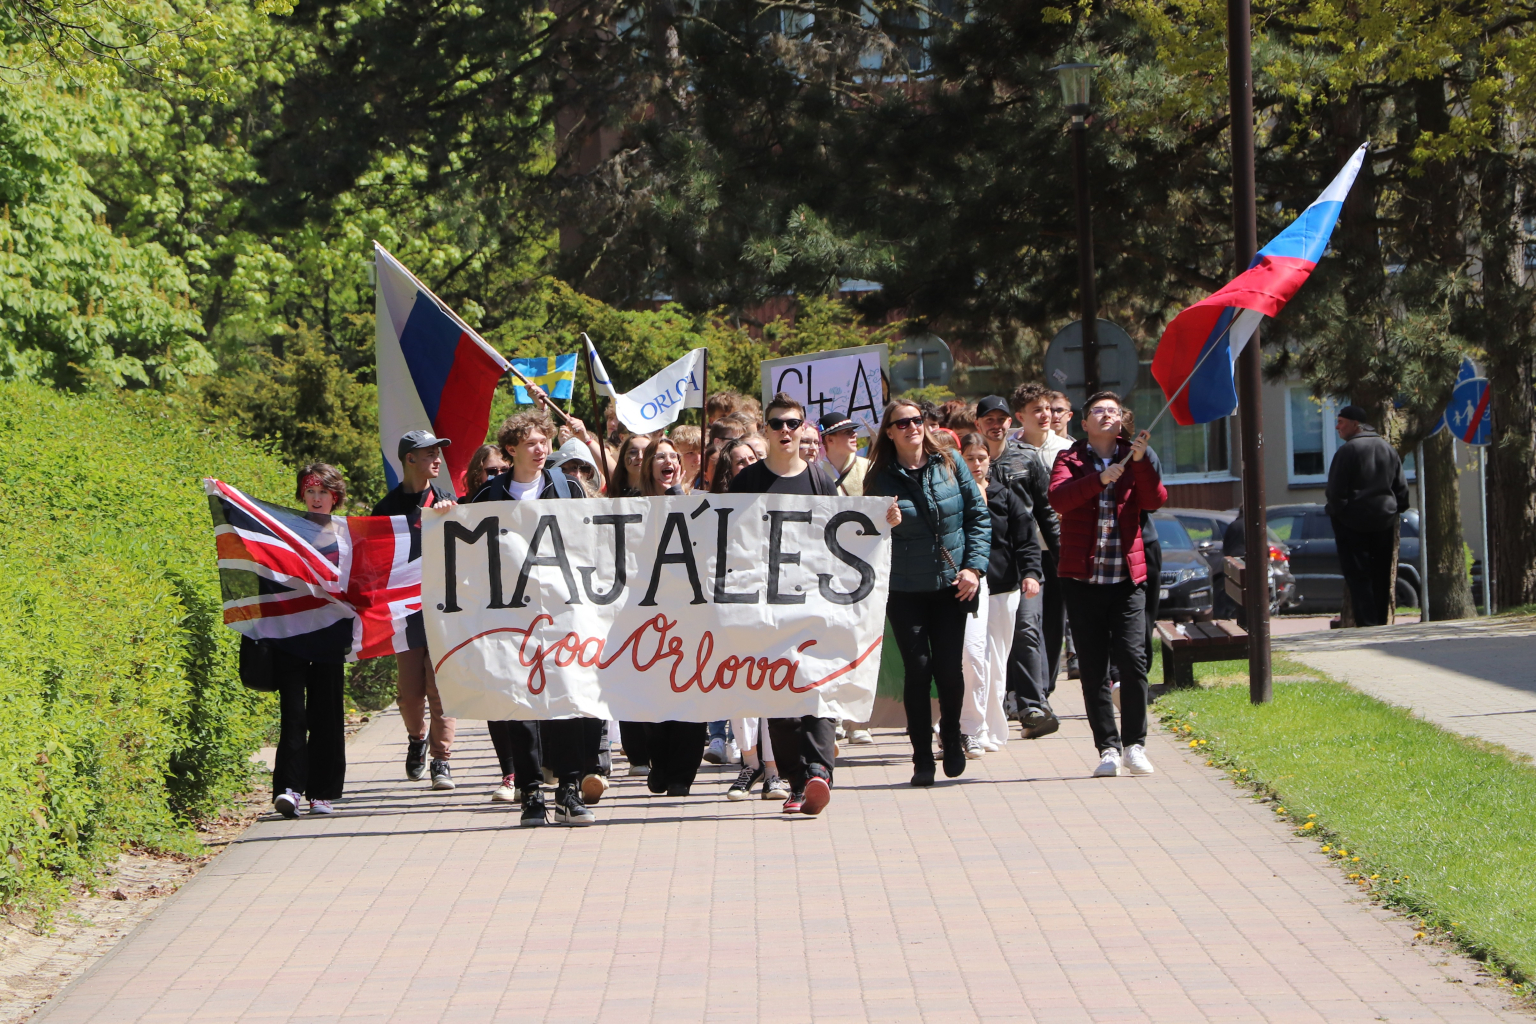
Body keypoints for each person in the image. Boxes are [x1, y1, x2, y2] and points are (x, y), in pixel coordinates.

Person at [473, 412, 601, 826]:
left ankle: (568, 787)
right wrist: (442, 513)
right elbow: (463, 541)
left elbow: (594, 541)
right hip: (510, 619)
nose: (541, 449)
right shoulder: (489, 495)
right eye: (531, 443)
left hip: (563, 614)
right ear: (511, 449)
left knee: (564, 700)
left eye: (544, 441)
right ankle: (531, 793)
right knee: (519, 704)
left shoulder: (567, 489)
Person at [728, 392, 851, 815]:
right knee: (778, 697)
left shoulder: (819, 479)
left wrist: (882, 524)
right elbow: (726, 541)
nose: (785, 431)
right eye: (777, 423)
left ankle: (820, 772)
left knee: (817, 687)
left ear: (803, 429)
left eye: (793, 423)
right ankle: (797, 784)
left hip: (815, 602)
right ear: (765, 429)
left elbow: (844, 534)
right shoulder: (746, 483)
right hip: (765, 607)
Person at [865, 400, 989, 787]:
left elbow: (977, 518)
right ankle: (921, 756)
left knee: (950, 671)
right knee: (917, 671)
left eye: (917, 421)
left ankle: (951, 737)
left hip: (953, 586)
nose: (911, 427)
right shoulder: (881, 476)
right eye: (901, 423)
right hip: (905, 589)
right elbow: (864, 535)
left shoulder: (951, 463)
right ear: (889, 431)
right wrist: (882, 523)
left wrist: (974, 568)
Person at [1048, 391, 1165, 779]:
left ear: (1122, 420)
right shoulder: (1070, 458)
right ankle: (1108, 748)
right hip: (1081, 580)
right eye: (1097, 411)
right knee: (1093, 668)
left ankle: (1135, 745)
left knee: (1133, 662)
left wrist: (1141, 461)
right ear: (1084, 423)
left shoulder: (1135, 456)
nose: (1105, 416)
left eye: (1112, 411)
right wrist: (1099, 479)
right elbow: (1060, 500)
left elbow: (1154, 500)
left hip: (1127, 580)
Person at [372, 430, 458, 790]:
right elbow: (374, 561)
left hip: (442, 610)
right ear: (410, 459)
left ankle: (441, 760)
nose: (438, 459)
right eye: (429, 454)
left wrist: (450, 516)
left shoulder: (448, 500)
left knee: (441, 688)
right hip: (403, 613)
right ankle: (416, 739)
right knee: (410, 692)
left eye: (439, 452)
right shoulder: (386, 508)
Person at [980, 389, 1064, 739]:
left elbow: (1044, 511)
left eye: (1001, 420)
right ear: (978, 424)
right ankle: (992, 704)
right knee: (986, 640)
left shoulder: (1027, 459)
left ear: (1009, 422)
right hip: (984, 564)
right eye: (989, 420)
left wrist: (1060, 556)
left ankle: (1034, 704)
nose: (996, 425)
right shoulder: (967, 460)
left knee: (1028, 628)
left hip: (1026, 559)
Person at [271, 463, 350, 818]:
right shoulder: (285, 531)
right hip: (292, 633)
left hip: (332, 634)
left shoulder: (349, 535)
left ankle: (322, 792)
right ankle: (288, 789)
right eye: (311, 491)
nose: (317, 499)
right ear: (302, 494)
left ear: (336, 496)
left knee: (327, 714)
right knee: (293, 713)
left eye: (324, 492)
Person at [957, 434, 1042, 755]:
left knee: (996, 661)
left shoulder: (1005, 496)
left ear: (989, 460)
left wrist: (1031, 574)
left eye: (981, 457)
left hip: (1004, 589)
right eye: (969, 458)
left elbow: (1026, 539)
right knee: (974, 659)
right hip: (970, 590)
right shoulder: (957, 497)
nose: (976, 464)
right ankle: (973, 726)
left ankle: (994, 729)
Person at [817, 410, 874, 745]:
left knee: (861, 644)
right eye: (844, 431)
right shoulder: (815, 474)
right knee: (830, 645)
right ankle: (833, 718)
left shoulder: (868, 469)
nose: (853, 435)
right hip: (826, 572)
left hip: (864, 570)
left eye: (853, 430)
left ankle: (858, 719)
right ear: (828, 439)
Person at [1326, 404, 1409, 627]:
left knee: (1358, 577)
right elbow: (1401, 489)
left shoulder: (1347, 452)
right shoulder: (1388, 449)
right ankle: (1380, 623)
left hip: (1352, 525)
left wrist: (1339, 515)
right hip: (1384, 522)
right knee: (1381, 576)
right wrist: (1393, 511)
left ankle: (1367, 624)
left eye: (1341, 422)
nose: (1337, 426)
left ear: (1356, 425)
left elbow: (1335, 492)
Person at [818, 411, 870, 498]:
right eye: (847, 432)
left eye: (853, 430)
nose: (855, 434)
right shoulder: (813, 471)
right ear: (829, 439)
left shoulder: (869, 467)